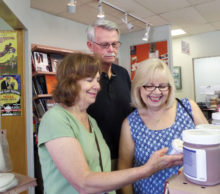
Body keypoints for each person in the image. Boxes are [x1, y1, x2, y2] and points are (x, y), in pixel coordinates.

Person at [38, 53, 183, 194]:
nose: (97, 86)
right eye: (89, 80)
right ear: (69, 82)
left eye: (97, 80)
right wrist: (146, 170)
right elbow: (84, 183)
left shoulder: (91, 121)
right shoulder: (55, 119)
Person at [118, 58, 208, 194]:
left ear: (170, 87)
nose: (156, 92)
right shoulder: (131, 124)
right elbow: (124, 170)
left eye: (162, 86)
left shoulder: (189, 108)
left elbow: (212, 147)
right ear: (138, 87)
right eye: (149, 85)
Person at [86, 20, 132, 168]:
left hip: (127, 154)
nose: (111, 49)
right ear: (90, 46)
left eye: (115, 44)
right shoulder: (83, 77)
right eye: (105, 45)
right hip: (96, 157)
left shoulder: (123, 73)